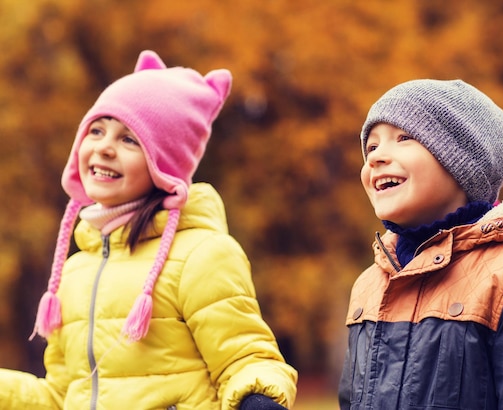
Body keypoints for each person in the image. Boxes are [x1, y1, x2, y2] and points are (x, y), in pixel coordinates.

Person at [0, 50, 297, 409]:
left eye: (129, 139)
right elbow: (63, 395)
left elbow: (246, 359)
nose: (104, 147)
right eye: (96, 130)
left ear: (165, 165)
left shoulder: (202, 254)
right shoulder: (75, 271)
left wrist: (258, 398)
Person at [338, 79, 503, 409]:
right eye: (371, 147)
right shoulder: (370, 285)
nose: (377, 157)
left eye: (403, 138)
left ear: (461, 161)